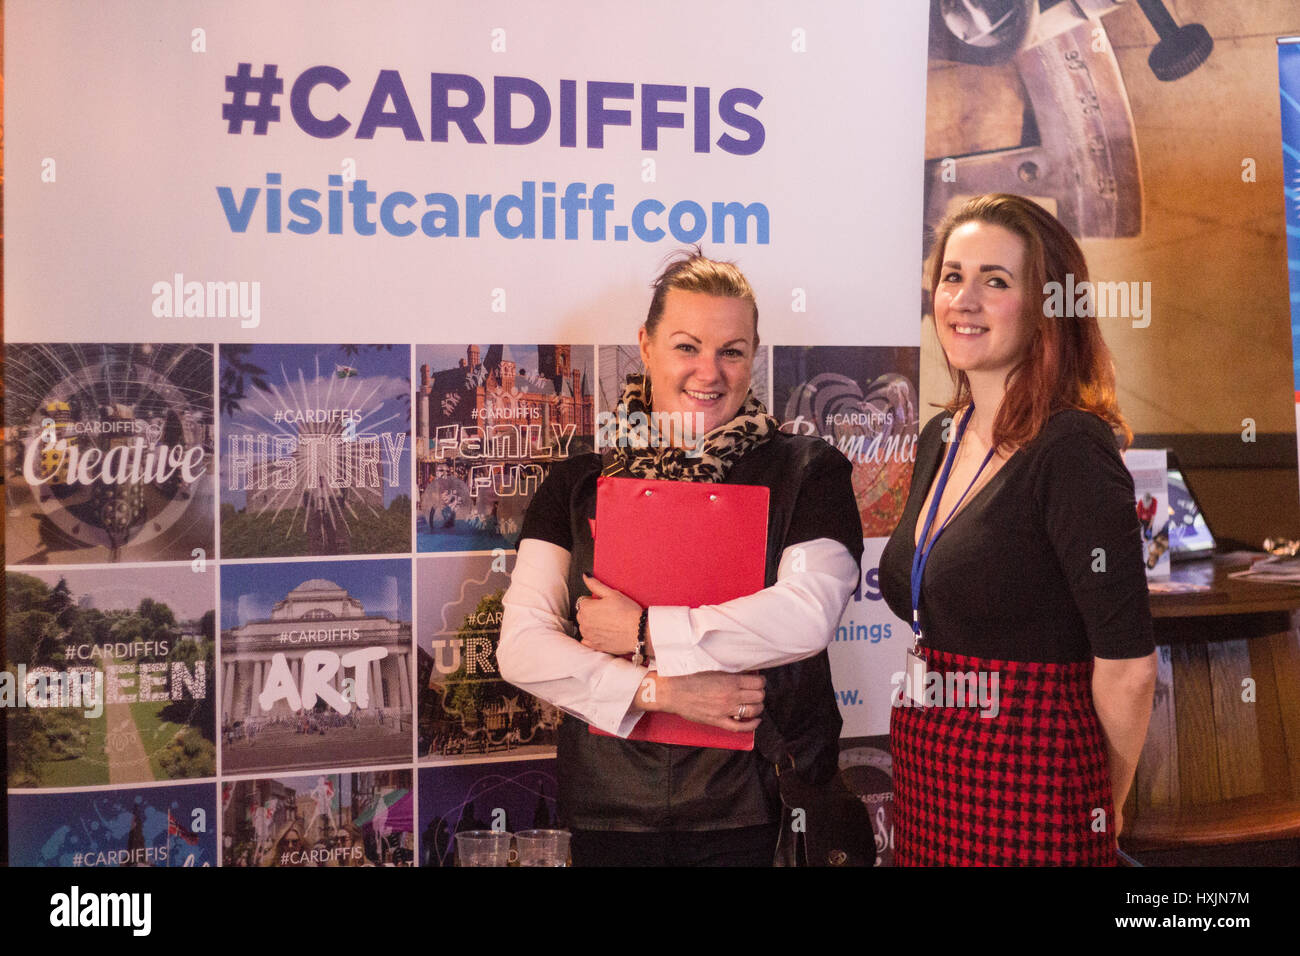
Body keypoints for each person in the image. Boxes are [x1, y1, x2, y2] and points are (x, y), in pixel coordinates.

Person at [498, 250, 864, 867]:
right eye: (687, 346)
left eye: (732, 351)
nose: (709, 372)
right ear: (646, 346)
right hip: (611, 815)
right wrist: (656, 691)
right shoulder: (577, 482)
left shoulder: (807, 472)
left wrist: (644, 630)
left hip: (762, 809)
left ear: (754, 356)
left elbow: (806, 613)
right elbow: (521, 647)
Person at [879, 193, 1158, 865]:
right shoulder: (940, 434)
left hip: (1034, 778)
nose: (963, 299)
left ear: (1046, 308)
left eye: (995, 281)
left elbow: (1128, 670)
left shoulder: (1072, 449)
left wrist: (1103, 806)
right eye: (953, 275)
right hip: (932, 766)